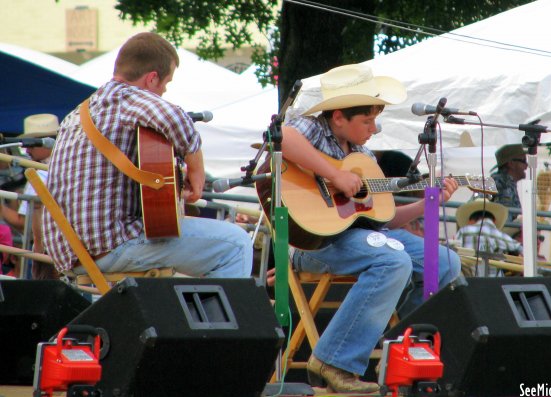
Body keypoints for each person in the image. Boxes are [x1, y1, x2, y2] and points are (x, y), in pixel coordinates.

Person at [282, 64, 461, 393]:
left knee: (446, 261)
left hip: (364, 238)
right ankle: (334, 361)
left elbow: (383, 218)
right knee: (392, 260)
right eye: (367, 120)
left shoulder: (363, 156)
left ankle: (401, 350)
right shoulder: (311, 127)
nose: (374, 129)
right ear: (338, 117)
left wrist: (429, 204)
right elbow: (282, 137)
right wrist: (335, 175)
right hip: (313, 244)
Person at [42, 32, 253, 279]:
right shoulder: (127, 98)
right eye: (166, 83)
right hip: (112, 245)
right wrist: (196, 171)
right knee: (236, 244)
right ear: (152, 78)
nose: (164, 91)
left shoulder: (78, 113)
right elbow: (175, 118)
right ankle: (216, 318)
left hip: (71, 252)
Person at [490, 144, 527, 221]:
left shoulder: (506, 181)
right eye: (524, 161)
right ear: (511, 164)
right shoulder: (500, 182)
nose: (527, 165)